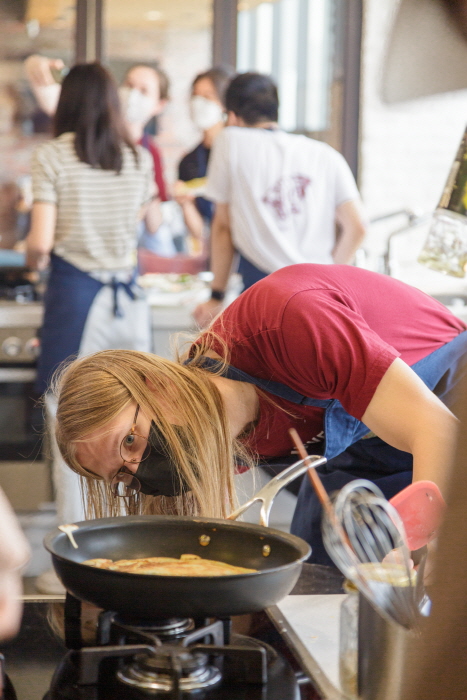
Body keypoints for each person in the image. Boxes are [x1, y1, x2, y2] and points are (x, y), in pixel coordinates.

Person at [51, 264, 466, 564]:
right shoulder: (206, 435)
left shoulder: (288, 320)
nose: (141, 470)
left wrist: (423, 552)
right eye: (121, 475)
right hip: (364, 445)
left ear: (157, 385)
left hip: (445, 406)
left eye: (130, 441)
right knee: (316, 578)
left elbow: (438, 433)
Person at [194, 72, 368, 327]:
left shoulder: (230, 140)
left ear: (231, 116)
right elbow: (358, 227)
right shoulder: (325, 154)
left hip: (265, 292)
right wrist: (330, 276)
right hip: (320, 296)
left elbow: (223, 227)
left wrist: (216, 296)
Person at [25, 62, 156, 396]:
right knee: (127, 400)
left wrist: (33, 264)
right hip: (127, 295)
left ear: (66, 102)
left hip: (75, 294)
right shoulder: (139, 158)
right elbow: (137, 222)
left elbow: (40, 242)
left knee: (64, 400)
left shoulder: (51, 155)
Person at [24, 56, 168, 241]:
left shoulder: (144, 156)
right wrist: (34, 65)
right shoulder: (91, 135)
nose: (133, 95)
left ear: (160, 104)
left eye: (143, 90)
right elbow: (52, 100)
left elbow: (153, 224)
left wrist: (147, 190)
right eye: (129, 85)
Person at [175, 67, 234, 243]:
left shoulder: (236, 153)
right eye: (195, 96)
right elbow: (199, 232)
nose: (199, 103)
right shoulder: (189, 162)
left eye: (208, 97)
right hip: (213, 250)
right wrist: (185, 203)